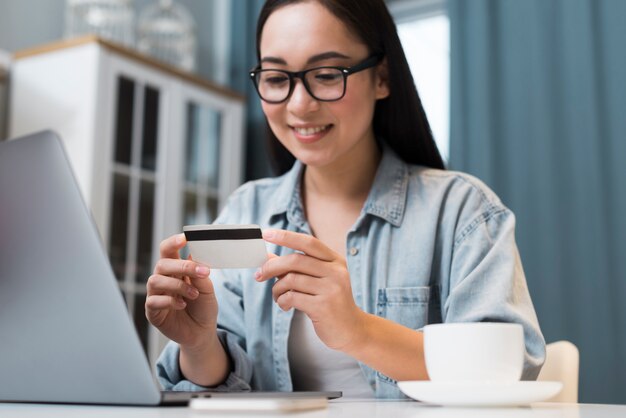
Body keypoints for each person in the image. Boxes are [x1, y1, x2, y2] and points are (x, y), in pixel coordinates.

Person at [146, 0, 545, 399]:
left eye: (325, 74)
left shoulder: (462, 210)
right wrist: (198, 345)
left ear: (382, 77)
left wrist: (358, 330)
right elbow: (224, 387)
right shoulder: (246, 209)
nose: (300, 104)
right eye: (276, 77)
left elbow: (504, 372)